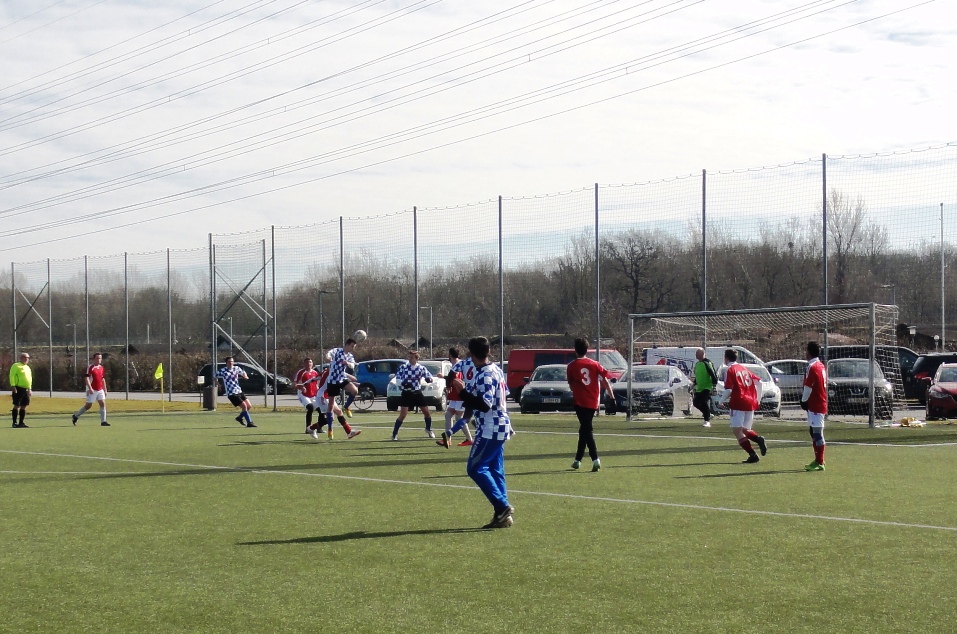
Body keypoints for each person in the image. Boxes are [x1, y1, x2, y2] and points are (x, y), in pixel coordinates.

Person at [455, 336, 514, 528]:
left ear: (471, 354)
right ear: (489, 351)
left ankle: (502, 506)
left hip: (491, 428)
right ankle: (502, 516)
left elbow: (485, 404)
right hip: (499, 425)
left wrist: (462, 392)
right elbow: (503, 395)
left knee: (475, 468)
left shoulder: (485, 374)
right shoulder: (496, 369)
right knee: (496, 470)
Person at [566, 337, 615, 471]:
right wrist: (612, 396)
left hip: (579, 402)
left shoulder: (571, 366)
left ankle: (595, 459)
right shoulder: (595, 364)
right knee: (584, 429)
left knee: (587, 430)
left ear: (575, 350)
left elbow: (571, 386)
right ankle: (577, 460)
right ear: (587, 350)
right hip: (593, 401)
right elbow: (605, 380)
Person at [719, 348, 768, 463]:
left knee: (737, 430)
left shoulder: (730, 369)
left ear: (726, 358)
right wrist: (757, 400)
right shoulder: (743, 368)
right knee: (745, 429)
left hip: (738, 402)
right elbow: (759, 383)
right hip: (750, 402)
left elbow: (729, 389)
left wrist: (720, 400)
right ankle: (758, 441)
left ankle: (753, 453)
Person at [306, 363, 362, 440]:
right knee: (331, 418)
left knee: (339, 412)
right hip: (322, 396)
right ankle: (311, 428)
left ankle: (349, 432)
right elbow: (351, 379)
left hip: (327, 396)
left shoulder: (332, 371)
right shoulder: (332, 373)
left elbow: (315, 378)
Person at [390, 349, 435, 440]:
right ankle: (394, 434)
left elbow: (429, 376)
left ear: (416, 359)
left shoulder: (421, 368)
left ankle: (428, 429)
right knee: (403, 414)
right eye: (409, 357)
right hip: (406, 392)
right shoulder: (404, 367)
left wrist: (429, 379)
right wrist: (403, 383)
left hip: (417, 392)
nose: (410, 359)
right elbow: (397, 378)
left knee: (426, 412)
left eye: (412, 358)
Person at [437, 347, 475, 449]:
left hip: (460, 396)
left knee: (459, 418)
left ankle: (469, 439)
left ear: (450, 355)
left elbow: (456, 379)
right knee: (448, 415)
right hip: (455, 396)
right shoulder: (459, 364)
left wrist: (446, 380)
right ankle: (448, 439)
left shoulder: (461, 364)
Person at [801, 341, 828, 472]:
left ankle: (820, 461)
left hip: (816, 403)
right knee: (814, 431)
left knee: (817, 433)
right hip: (819, 402)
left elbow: (808, 386)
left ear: (809, 352)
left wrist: (803, 401)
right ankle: (818, 459)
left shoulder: (812, 367)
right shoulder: (820, 365)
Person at [72, 352, 110, 426]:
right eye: (97, 358)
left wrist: (105, 390)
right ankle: (76, 416)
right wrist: (90, 388)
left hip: (100, 389)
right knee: (88, 406)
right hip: (92, 390)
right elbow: (86, 378)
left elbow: (102, 379)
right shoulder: (91, 367)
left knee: (102, 403)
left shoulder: (101, 368)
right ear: (94, 359)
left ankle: (103, 421)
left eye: (100, 358)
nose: (99, 360)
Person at [216, 357, 256, 428]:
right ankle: (249, 423)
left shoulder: (236, 368)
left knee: (249, 406)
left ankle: (240, 418)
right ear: (226, 363)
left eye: (232, 361)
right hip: (231, 393)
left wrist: (245, 376)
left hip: (238, 391)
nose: (231, 363)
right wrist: (218, 385)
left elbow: (243, 372)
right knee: (244, 406)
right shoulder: (223, 370)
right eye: (229, 362)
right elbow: (214, 376)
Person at [326, 338, 359, 417]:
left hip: (342, 378)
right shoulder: (337, 350)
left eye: (354, 347)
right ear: (347, 345)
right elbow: (329, 353)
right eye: (352, 346)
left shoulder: (350, 355)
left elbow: (352, 365)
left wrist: (348, 363)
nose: (353, 348)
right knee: (331, 404)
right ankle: (330, 424)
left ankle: (346, 407)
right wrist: (328, 357)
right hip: (333, 379)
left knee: (355, 391)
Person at [692, 347, 719, 427]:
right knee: (695, 403)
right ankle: (707, 414)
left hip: (707, 387)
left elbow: (713, 374)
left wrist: (714, 385)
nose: (696, 355)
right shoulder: (697, 364)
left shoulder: (707, 363)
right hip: (699, 387)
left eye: (697, 354)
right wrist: (694, 383)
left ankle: (707, 421)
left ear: (702, 354)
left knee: (703, 402)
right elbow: (698, 375)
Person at [294, 358, 320, 433]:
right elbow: (295, 384)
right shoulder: (301, 372)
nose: (308, 364)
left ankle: (319, 428)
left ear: (312, 363)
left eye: (310, 362)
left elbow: (317, 384)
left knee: (321, 410)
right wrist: (301, 387)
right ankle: (308, 429)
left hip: (313, 395)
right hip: (303, 395)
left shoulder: (315, 373)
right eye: (307, 362)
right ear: (304, 364)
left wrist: (318, 389)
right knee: (310, 408)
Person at [9, 352, 32, 428]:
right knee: (17, 405)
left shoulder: (27, 367)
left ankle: (21, 422)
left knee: (24, 405)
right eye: (25, 357)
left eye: (28, 358)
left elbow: (29, 378)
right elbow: (12, 376)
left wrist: (29, 388)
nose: (26, 359)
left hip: (26, 389)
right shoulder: (16, 365)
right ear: (21, 358)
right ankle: (14, 423)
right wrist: (13, 386)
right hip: (18, 388)